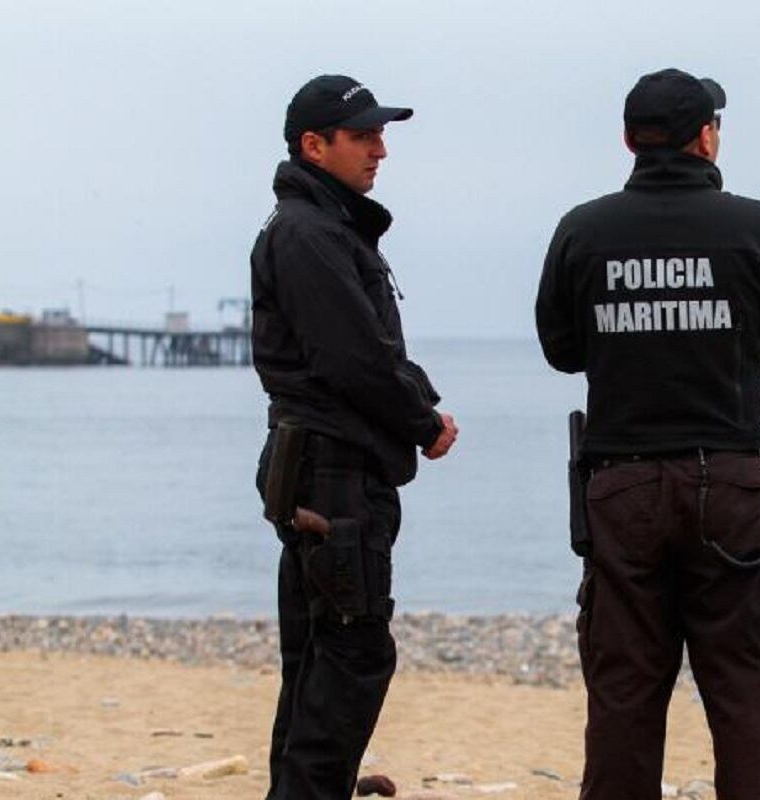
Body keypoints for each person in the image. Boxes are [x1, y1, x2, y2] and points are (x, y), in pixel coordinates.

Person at [536, 67, 760, 799]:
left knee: (624, 696)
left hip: (621, 483)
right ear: (706, 136)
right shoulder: (753, 225)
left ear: (630, 140)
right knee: (744, 692)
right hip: (727, 478)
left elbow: (562, 349)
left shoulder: (583, 230)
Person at [250, 74, 458, 799]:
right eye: (363, 135)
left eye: (382, 133)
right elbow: (350, 359)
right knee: (350, 652)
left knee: (319, 657)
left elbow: (363, 348)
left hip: (323, 468)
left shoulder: (327, 227)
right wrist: (422, 423)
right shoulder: (308, 233)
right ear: (315, 145)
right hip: (331, 473)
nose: (380, 150)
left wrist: (417, 399)